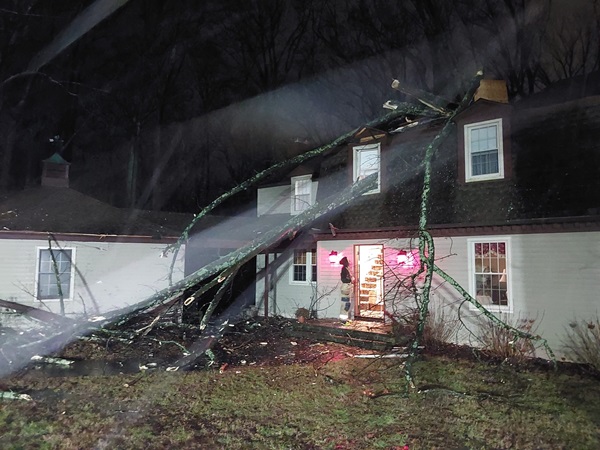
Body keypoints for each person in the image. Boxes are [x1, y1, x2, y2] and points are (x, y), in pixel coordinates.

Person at [339, 256, 353, 323]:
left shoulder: (346, 269)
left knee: (347, 304)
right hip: (346, 288)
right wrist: (350, 280)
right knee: (345, 304)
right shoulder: (344, 269)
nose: (349, 263)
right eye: (348, 261)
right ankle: (343, 320)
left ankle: (345, 318)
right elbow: (344, 279)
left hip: (347, 287)